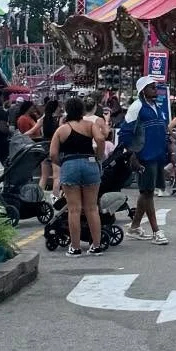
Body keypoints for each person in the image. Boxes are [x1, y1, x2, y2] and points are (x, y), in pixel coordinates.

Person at [51, 95, 108, 256]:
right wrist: (98, 156)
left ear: (66, 110)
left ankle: (75, 247)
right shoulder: (90, 125)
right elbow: (100, 139)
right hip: (89, 163)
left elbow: (53, 154)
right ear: (83, 110)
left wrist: (63, 163)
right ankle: (96, 246)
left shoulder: (62, 129)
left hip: (70, 164)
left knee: (74, 209)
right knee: (92, 208)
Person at [121, 74, 171, 243]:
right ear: (143, 90)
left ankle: (134, 227)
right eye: (152, 87)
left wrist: (169, 150)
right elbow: (125, 132)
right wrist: (133, 154)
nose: (155, 89)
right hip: (144, 156)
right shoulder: (136, 107)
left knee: (147, 192)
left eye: (155, 87)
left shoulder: (157, 107)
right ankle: (156, 231)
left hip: (157, 156)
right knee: (147, 193)